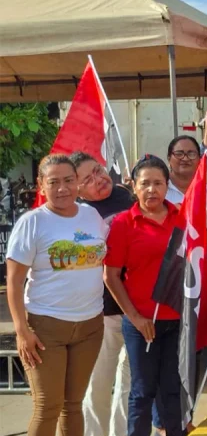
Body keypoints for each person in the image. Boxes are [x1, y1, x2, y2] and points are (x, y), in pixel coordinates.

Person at [5, 154, 106, 436]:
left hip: (90, 326)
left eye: (69, 180)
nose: (62, 188)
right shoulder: (32, 222)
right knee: (48, 406)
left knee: (73, 405)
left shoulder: (91, 215)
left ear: (78, 182)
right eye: (53, 182)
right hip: (46, 328)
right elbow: (14, 281)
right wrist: (22, 331)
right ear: (41, 185)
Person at [104, 156, 185, 436]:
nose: (152, 189)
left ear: (167, 186)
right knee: (142, 391)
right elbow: (111, 276)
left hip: (177, 320)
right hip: (142, 324)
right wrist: (136, 318)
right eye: (145, 183)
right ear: (134, 187)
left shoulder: (182, 218)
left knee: (172, 389)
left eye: (158, 183)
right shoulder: (124, 223)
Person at [70, 152, 136, 436]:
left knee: (129, 381)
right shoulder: (77, 214)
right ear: (77, 189)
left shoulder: (127, 195)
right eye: (88, 179)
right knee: (98, 381)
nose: (99, 179)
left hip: (136, 306)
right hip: (101, 311)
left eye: (98, 170)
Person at [165, 135, 205, 204]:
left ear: (200, 159)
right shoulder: (158, 192)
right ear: (169, 159)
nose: (185, 159)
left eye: (191, 154)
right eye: (179, 154)